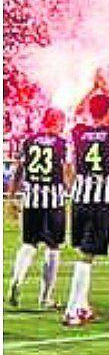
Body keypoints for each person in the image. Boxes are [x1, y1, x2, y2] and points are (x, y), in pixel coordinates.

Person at [64, 74, 109, 326]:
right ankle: (72, 310)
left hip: (79, 198)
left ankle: (81, 306)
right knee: (87, 256)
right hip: (101, 199)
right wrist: (106, 88)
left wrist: (91, 89)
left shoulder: (79, 131)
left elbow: (74, 111)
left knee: (85, 254)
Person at [7, 108, 70, 311]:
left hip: (31, 199)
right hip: (54, 200)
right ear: (56, 121)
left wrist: (11, 197)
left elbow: (18, 170)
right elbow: (67, 171)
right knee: (53, 248)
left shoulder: (28, 141)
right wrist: (71, 189)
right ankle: (45, 297)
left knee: (29, 244)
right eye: (62, 122)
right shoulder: (62, 144)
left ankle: (17, 278)